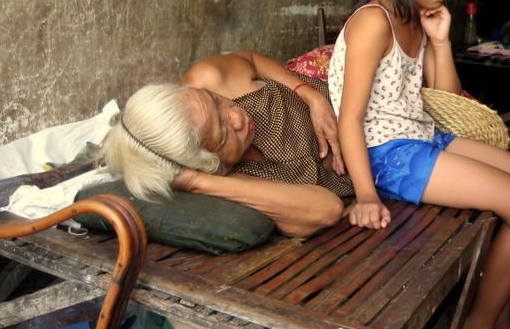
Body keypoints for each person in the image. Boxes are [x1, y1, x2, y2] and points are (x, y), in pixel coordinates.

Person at [327, 0, 510, 329]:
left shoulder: (418, 18)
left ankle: (496, 323)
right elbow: (349, 119)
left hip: (423, 136)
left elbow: (446, 99)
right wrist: (366, 195)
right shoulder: (376, 21)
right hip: (386, 155)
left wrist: (442, 41)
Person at [102, 49, 353, 238]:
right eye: (223, 133)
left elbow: (251, 60)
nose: (237, 116)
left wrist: (308, 94)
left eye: (215, 100)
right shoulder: (233, 180)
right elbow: (328, 209)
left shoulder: (206, 77)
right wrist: (196, 182)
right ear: (209, 164)